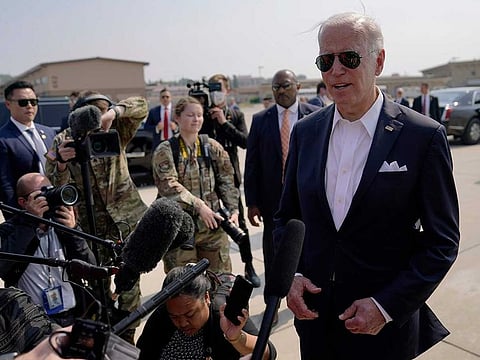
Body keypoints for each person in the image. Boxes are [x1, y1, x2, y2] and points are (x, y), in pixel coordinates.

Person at [274, 12, 459, 360]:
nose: (336, 71)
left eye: (349, 58)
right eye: (326, 61)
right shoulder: (306, 133)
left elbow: (442, 243)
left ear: (379, 60)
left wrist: (386, 305)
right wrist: (292, 276)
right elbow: (287, 218)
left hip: (384, 332)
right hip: (315, 325)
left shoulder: (423, 137)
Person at [45, 91, 148, 343]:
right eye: (93, 112)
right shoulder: (64, 139)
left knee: (129, 284)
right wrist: (60, 162)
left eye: (102, 111)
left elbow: (141, 105)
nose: (97, 119)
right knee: (93, 287)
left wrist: (113, 114)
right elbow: (56, 186)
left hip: (123, 223)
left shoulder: (116, 131)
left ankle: (127, 336)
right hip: (87, 229)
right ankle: (99, 337)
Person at [245, 69, 318, 305]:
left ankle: (308, 294)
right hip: (272, 201)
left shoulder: (316, 116)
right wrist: (252, 202)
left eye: (286, 85)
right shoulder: (260, 120)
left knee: (310, 247)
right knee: (272, 252)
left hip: (309, 198)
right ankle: (272, 303)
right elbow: (252, 164)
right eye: (276, 87)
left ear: (297, 86)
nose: (281, 91)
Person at [152, 96, 239, 274]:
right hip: (180, 230)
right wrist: (199, 206)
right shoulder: (166, 150)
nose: (196, 119)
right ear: (177, 118)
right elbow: (168, 185)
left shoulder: (212, 147)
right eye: (190, 115)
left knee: (220, 283)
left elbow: (227, 179)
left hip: (212, 226)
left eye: (199, 115)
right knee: (185, 290)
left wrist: (233, 209)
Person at [0, 173, 96, 327]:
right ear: (23, 202)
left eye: (49, 190)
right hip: (32, 323)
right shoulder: (9, 229)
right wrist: (30, 224)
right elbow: (3, 268)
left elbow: (90, 267)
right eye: (40, 194)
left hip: (72, 316)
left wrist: (73, 231)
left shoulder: (62, 224)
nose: (47, 198)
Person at [198, 74, 261, 287]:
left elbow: (246, 142)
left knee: (239, 224)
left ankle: (249, 265)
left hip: (231, 179)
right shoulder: (202, 116)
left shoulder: (235, 114)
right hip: (207, 181)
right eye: (212, 88)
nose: (216, 92)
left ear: (227, 91)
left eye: (219, 88)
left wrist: (224, 123)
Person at [136, 265, 277, 360]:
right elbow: (141, 354)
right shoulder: (163, 316)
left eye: (190, 314)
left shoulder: (221, 314)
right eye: (175, 317)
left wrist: (236, 338)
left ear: (206, 298)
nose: (183, 323)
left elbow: (268, 353)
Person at [0, 81, 56, 216]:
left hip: (55, 206)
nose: (30, 106)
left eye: (34, 101)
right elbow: (5, 185)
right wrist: (21, 218)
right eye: (23, 102)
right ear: (8, 104)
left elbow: (55, 164)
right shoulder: (3, 139)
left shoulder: (49, 133)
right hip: (28, 213)